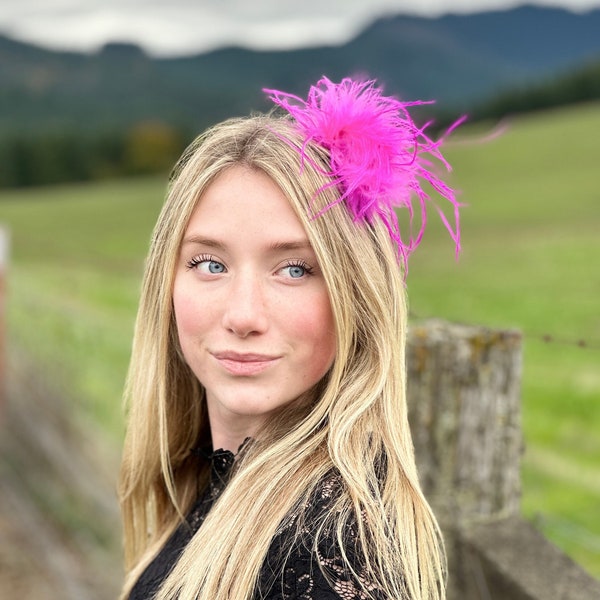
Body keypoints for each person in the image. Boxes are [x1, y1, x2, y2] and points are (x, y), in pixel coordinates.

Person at [118, 76, 462, 600]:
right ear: (166, 280)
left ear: (357, 296)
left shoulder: (327, 559)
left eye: (295, 269)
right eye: (209, 264)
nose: (243, 314)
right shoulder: (209, 480)